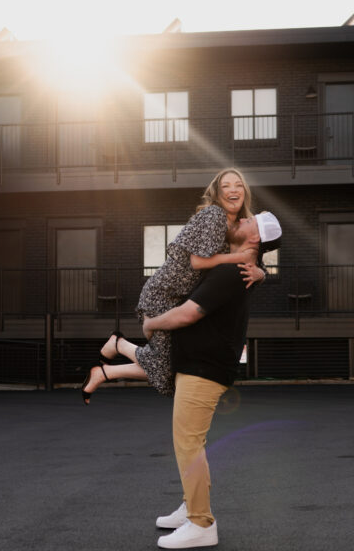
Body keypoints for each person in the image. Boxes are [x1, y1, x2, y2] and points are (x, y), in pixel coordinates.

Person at [81, 167, 279, 401]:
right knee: (167, 372)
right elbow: (197, 262)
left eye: (238, 185)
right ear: (217, 193)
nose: (233, 190)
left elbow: (254, 257)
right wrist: (239, 258)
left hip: (178, 298)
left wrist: (260, 273)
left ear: (244, 192)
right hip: (163, 293)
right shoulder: (214, 216)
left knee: (169, 370)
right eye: (226, 186)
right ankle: (112, 357)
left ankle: (113, 354)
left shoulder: (237, 226)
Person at [149, 223, 282, 549]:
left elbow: (187, 314)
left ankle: (201, 523)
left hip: (203, 369)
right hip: (200, 365)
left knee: (189, 444)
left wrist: (150, 323)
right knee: (189, 443)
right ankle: (190, 508)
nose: (241, 220)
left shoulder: (234, 271)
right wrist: (262, 271)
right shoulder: (242, 267)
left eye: (250, 221)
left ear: (255, 238)